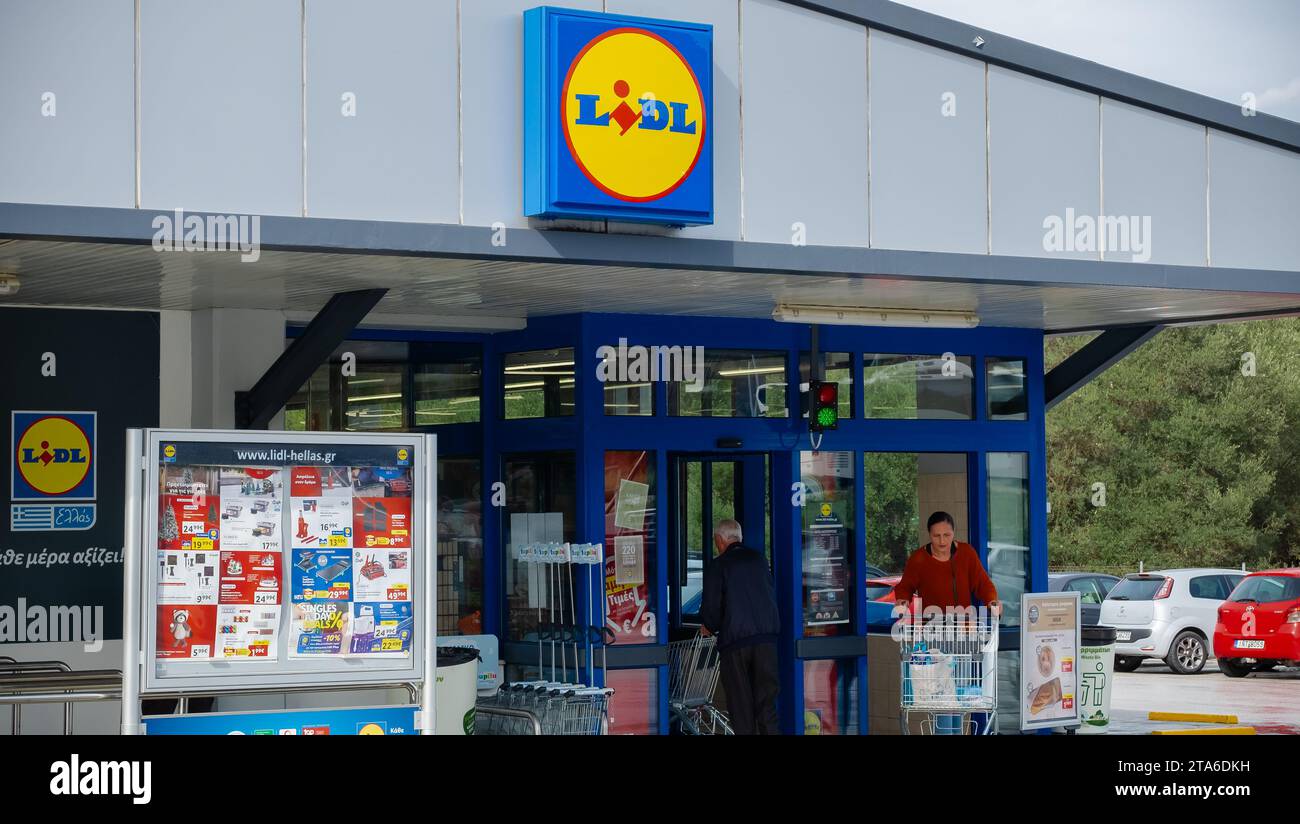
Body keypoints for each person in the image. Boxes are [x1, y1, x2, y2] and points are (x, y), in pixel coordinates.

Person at [700, 519, 781, 735]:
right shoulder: (759, 560)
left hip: (736, 645)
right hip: (766, 641)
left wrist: (708, 625)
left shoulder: (719, 565)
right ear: (739, 538)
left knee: (741, 708)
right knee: (767, 706)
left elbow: (712, 608)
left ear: (719, 539)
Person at [893, 511, 1002, 618]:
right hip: (931, 627)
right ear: (929, 534)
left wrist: (992, 600)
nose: (942, 541)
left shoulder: (967, 552)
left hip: (964, 626)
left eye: (947, 535)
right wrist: (902, 601)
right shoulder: (918, 558)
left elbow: (982, 583)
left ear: (953, 532)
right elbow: (905, 587)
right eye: (936, 536)